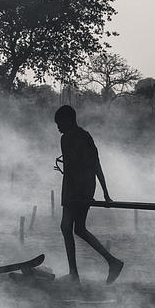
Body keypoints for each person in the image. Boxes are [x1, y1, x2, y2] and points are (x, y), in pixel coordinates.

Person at [55, 105, 123, 284]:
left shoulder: (68, 138)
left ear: (69, 120)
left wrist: (78, 194)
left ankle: (74, 275)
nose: (58, 127)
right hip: (85, 188)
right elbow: (96, 164)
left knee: (67, 227)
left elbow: (76, 168)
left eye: (59, 123)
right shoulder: (85, 136)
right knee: (78, 228)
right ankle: (111, 262)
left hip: (75, 189)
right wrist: (104, 193)